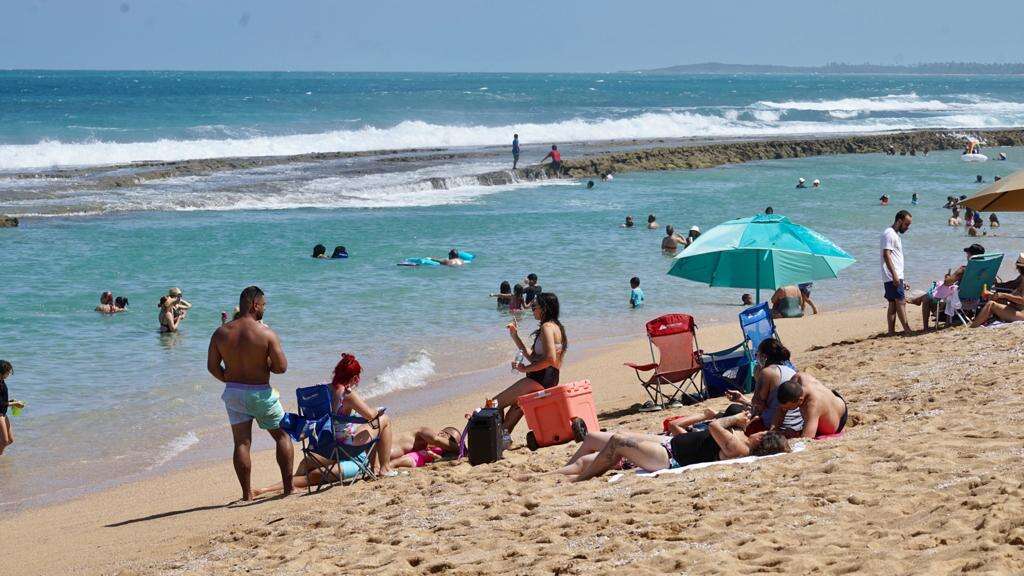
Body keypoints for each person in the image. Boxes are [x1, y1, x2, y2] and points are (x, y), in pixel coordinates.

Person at [254, 353, 397, 496]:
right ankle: (384, 468)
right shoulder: (347, 394)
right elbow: (370, 416)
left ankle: (274, 489)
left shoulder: (321, 391)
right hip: (344, 447)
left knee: (308, 467)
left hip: (321, 446)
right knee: (383, 419)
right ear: (354, 378)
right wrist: (377, 411)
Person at [207, 286, 294, 501]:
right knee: (282, 435)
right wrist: (265, 364)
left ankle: (246, 494)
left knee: (242, 443)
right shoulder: (265, 332)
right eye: (263, 305)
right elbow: (281, 367)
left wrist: (229, 379)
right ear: (255, 304)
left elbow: (212, 367)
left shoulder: (221, 332)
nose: (264, 308)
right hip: (260, 392)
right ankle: (288, 488)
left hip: (234, 393)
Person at [553, 410, 789, 481]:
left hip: (668, 458)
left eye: (765, 433)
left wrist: (734, 420)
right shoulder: (743, 439)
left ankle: (578, 480)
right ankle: (559, 472)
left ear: (762, 441)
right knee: (593, 437)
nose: (763, 431)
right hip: (669, 443)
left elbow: (715, 427)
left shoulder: (741, 449)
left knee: (617, 441)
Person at [494, 293, 567, 435]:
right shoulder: (557, 327)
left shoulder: (547, 327)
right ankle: (501, 439)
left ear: (544, 308)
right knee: (514, 410)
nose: (532, 309)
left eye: (534, 306)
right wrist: (515, 335)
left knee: (494, 404)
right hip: (549, 379)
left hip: (539, 378)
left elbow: (550, 359)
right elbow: (534, 357)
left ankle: (492, 440)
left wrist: (525, 369)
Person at [725, 338, 803, 437]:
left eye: (757, 355)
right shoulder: (791, 371)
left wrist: (758, 379)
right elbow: (773, 403)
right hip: (796, 426)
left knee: (733, 410)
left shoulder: (767, 373)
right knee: (736, 409)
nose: (757, 358)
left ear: (764, 357)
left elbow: (758, 406)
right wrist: (742, 399)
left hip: (774, 426)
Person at [775, 373, 848, 438]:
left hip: (836, 422)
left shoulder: (812, 406)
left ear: (800, 400)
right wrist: (773, 430)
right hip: (837, 400)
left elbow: (807, 439)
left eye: (789, 408)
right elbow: (781, 409)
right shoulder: (799, 377)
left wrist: (795, 434)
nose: (785, 409)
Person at [881, 210, 913, 335]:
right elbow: (886, 255)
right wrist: (895, 275)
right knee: (901, 301)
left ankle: (891, 331)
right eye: (906, 224)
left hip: (893, 274)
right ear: (899, 221)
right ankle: (907, 329)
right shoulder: (889, 234)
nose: (907, 227)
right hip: (892, 275)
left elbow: (894, 257)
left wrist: (901, 278)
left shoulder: (893, 234)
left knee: (893, 303)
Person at [389, 426, 462, 469]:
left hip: (388, 458)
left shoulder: (429, 447)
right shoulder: (424, 431)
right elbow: (436, 439)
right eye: (451, 441)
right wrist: (460, 449)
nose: (449, 446)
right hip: (382, 452)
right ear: (443, 433)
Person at [0, 360, 24, 457]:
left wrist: (11, 401)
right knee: (5, 441)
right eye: (8, 372)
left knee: (10, 440)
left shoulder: (2, 381)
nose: (9, 374)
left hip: (3, 413)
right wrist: (14, 403)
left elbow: (2, 400)